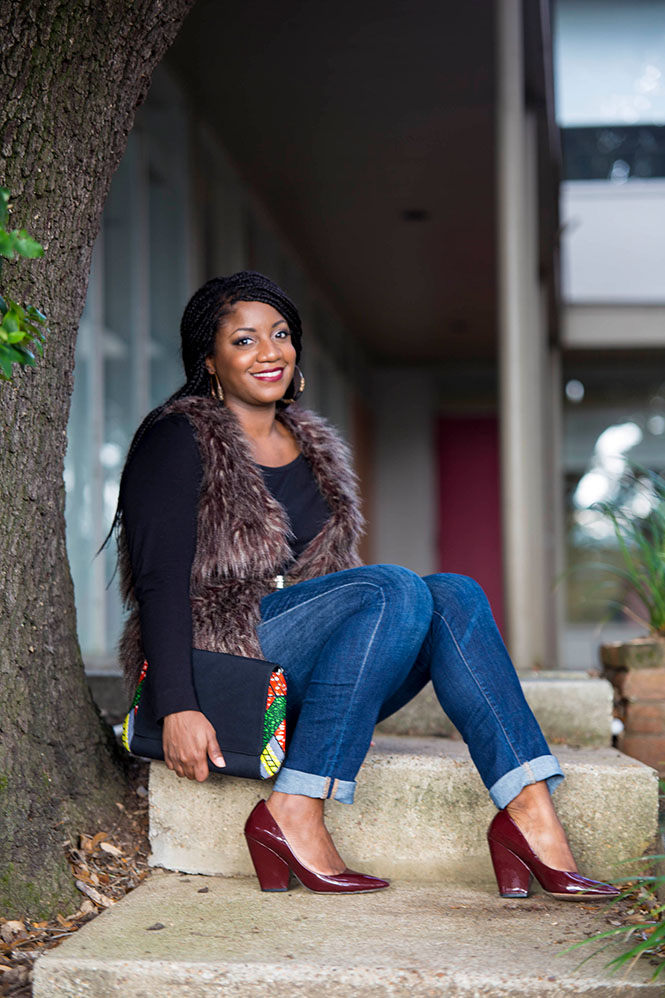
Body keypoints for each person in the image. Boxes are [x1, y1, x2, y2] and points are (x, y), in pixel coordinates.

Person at [116, 271, 618, 900]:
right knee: (391, 588)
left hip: (302, 681)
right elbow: (159, 582)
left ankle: (529, 812)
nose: (269, 352)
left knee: (455, 592)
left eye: (280, 335)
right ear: (210, 360)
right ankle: (293, 811)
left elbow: (333, 590)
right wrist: (178, 704)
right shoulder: (178, 437)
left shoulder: (313, 444)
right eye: (244, 341)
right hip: (224, 670)